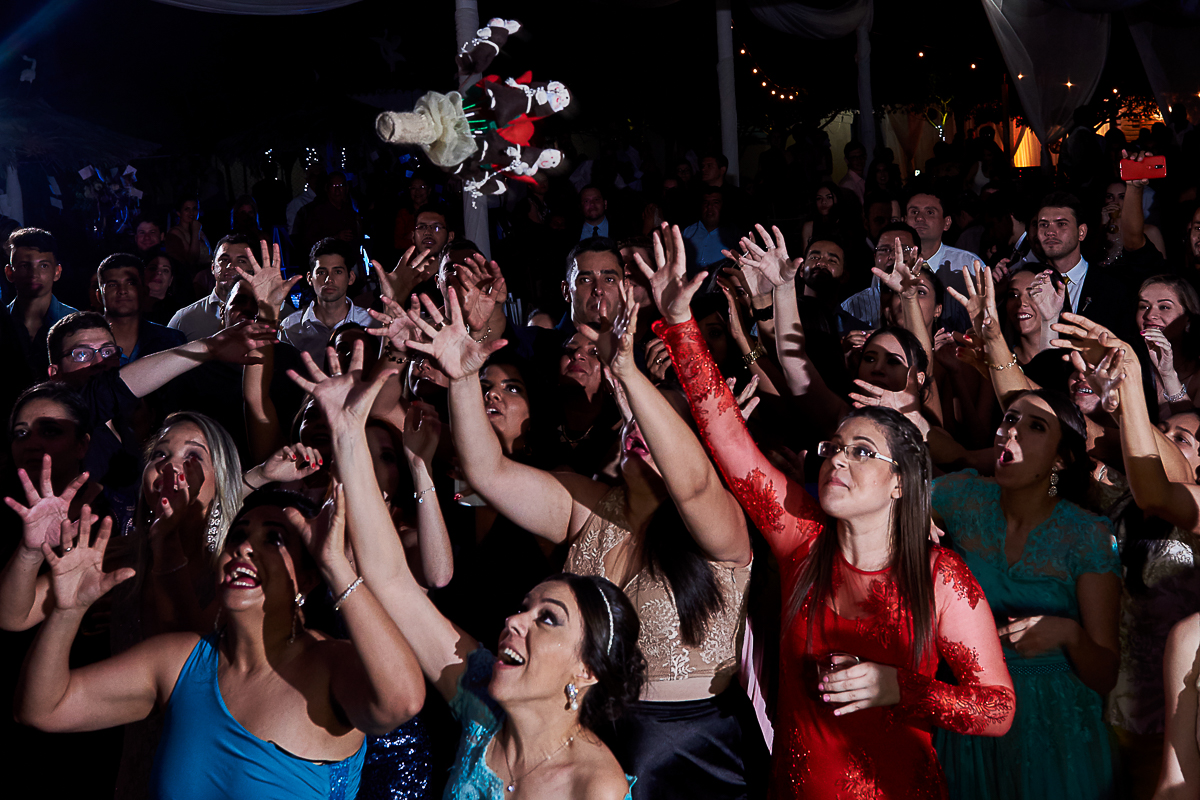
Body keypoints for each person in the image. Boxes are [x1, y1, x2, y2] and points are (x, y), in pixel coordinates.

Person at [641, 222, 1015, 799]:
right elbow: (728, 437)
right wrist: (680, 324)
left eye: (862, 452)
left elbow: (996, 710)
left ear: (900, 483)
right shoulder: (801, 542)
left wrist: (902, 689)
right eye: (834, 448)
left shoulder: (940, 576)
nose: (838, 459)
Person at [405, 287, 767, 798]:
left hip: (691, 756)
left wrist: (629, 374)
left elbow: (694, 486)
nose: (640, 427)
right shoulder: (586, 504)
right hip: (583, 735)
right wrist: (463, 380)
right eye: (634, 418)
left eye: (660, 424)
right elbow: (487, 472)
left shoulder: (719, 526)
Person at [288, 339, 643, 800]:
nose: (515, 620)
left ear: (587, 668)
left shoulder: (596, 786)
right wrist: (348, 434)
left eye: (548, 618)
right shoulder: (481, 702)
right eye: (525, 607)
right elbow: (393, 583)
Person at [14, 485, 426, 800]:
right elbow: (42, 708)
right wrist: (67, 612)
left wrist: (335, 565)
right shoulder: (179, 661)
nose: (244, 547)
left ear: (309, 575)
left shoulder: (331, 665)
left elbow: (402, 702)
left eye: (274, 539)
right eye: (238, 535)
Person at [280, 239, 372, 364]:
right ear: (309, 278)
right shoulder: (290, 327)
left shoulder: (370, 324)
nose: (329, 279)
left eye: (337, 272)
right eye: (321, 272)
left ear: (350, 277)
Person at [5, 227, 78, 380]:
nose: (34, 274)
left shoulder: (75, 322)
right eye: (25, 266)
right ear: (10, 273)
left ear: (57, 272)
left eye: (43, 265)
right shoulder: (3, 322)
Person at [96, 253, 186, 366]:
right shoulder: (84, 342)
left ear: (145, 291)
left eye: (131, 283)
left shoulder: (172, 340)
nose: (122, 290)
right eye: (112, 285)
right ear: (99, 295)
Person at [168, 234, 259, 342]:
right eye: (224, 260)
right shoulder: (184, 319)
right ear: (212, 267)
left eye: (241, 261)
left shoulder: (269, 313)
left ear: (254, 267)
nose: (230, 266)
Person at [164, 197, 211, 273]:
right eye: (187, 209)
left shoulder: (200, 231)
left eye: (194, 209)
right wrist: (195, 233)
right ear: (179, 213)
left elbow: (210, 256)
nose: (191, 212)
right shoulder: (175, 233)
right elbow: (192, 260)